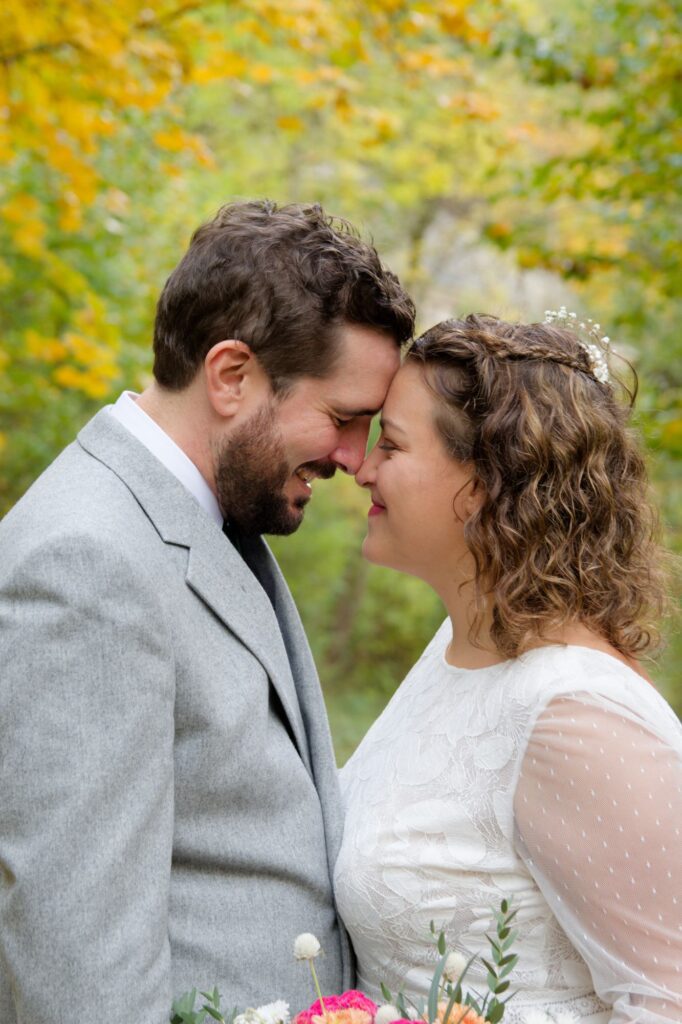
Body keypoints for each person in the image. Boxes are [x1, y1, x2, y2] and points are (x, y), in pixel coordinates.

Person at [0, 200, 415, 1024]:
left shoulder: (203, 518)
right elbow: (73, 962)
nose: (352, 459)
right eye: (342, 420)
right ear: (231, 376)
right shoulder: (88, 563)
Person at [334, 314, 682, 1024]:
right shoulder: (453, 651)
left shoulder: (574, 714)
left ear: (486, 482)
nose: (362, 468)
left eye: (391, 445)